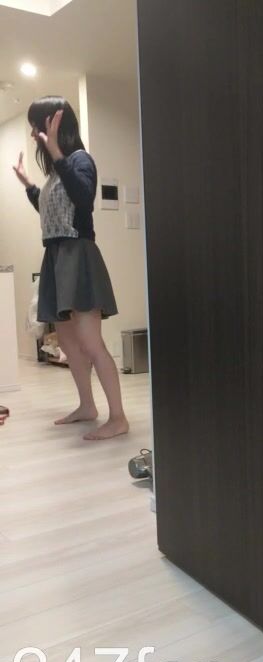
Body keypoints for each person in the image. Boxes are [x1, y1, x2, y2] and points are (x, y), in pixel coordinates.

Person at [13, 96, 129, 441]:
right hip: (56, 256)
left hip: (77, 255)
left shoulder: (79, 160)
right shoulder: (56, 171)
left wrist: (56, 154)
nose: (34, 134)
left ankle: (118, 418)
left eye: (37, 126)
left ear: (55, 123)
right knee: (66, 338)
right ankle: (87, 406)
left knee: (91, 341)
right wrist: (30, 186)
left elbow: (83, 198)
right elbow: (51, 212)